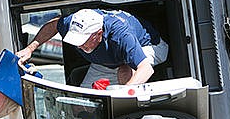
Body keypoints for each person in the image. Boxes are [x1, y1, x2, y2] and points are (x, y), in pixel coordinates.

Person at [16, 8, 169, 88]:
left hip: (148, 46)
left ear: (98, 34)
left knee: (124, 70)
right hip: (109, 61)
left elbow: (145, 68)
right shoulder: (74, 22)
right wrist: (30, 48)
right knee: (83, 103)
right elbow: (54, 25)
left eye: (83, 41)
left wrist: (125, 95)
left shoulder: (121, 34)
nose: (79, 46)